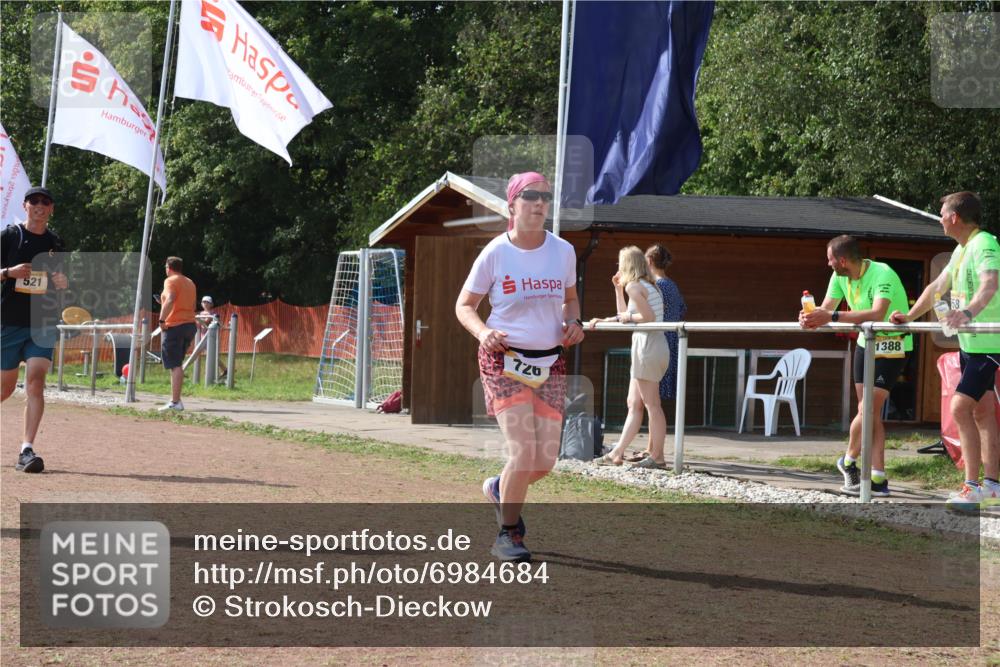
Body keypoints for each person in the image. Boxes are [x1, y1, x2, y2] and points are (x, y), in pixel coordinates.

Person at [455, 171, 584, 563]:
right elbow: (464, 306)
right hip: (503, 359)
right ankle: (508, 534)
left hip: (549, 361)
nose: (540, 202)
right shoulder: (496, 252)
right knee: (524, 452)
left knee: (544, 461)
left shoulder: (563, 251)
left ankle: (499, 488)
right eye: (530, 195)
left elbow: (571, 300)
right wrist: (483, 333)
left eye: (545, 195)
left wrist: (574, 322)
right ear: (512, 205)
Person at [891, 192, 1000, 510]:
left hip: (990, 344)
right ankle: (992, 485)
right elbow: (936, 288)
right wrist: (908, 316)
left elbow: (989, 284)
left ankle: (972, 486)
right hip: (970, 346)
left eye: (942, 213)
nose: (939, 218)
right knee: (982, 413)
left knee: (958, 409)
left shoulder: (985, 244)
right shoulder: (961, 249)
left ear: (954, 217)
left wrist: (966, 313)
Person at [799, 235, 912, 497]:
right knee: (869, 412)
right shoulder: (839, 277)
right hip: (866, 344)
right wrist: (811, 318)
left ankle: (848, 460)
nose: (827, 265)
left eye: (829, 260)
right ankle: (878, 478)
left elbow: (877, 314)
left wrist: (831, 316)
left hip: (893, 345)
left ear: (842, 260)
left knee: (867, 407)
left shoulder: (883, 273)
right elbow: (826, 309)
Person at [1, 186, 68, 473]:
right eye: (35, 201)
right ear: (26, 205)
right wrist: (8, 273)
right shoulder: (10, 236)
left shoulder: (56, 244)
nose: (40, 206)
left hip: (42, 322)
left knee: (36, 382)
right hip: (9, 321)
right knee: (4, 389)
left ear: (51, 209)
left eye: (46, 202)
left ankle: (26, 450)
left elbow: (60, 287)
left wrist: (63, 284)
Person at [588, 245, 669, 469]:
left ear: (627, 265)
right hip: (648, 345)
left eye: (620, 263)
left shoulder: (635, 285)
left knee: (652, 404)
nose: (618, 267)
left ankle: (658, 457)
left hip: (648, 345)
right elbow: (627, 314)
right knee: (634, 403)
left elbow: (647, 317)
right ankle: (617, 453)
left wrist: (617, 318)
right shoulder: (640, 285)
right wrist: (616, 291)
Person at [621, 244, 687, 463]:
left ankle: (654, 452)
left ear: (648, 262)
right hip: (667, 341)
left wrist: (630, 318)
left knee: (652, 402)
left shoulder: (652, 285)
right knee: (646, 401)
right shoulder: (671, 285)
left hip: (656, 340)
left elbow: (645, 315)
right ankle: (650, 450)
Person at [158, 257, 197, 411]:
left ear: (169, 267)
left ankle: (175, 402)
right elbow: (192, 305)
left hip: (175, 326)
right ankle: (175, 400)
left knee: (174, 365)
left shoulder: (170, 281)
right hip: (189, 325)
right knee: (177, 363)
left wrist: (161, 320)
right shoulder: (190, 282)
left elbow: (171, 299)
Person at [196, 295, 227, 379]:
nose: (205, 304)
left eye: (207, 302)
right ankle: (224, 370)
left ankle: (213, 373)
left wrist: (198, 319)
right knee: (209, 355)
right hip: (202, 336)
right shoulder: (201, 313)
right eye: (203, 302)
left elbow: (206, 322)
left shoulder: (212, 314)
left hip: (210, 337)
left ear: (211, 304)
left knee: (211, 355)